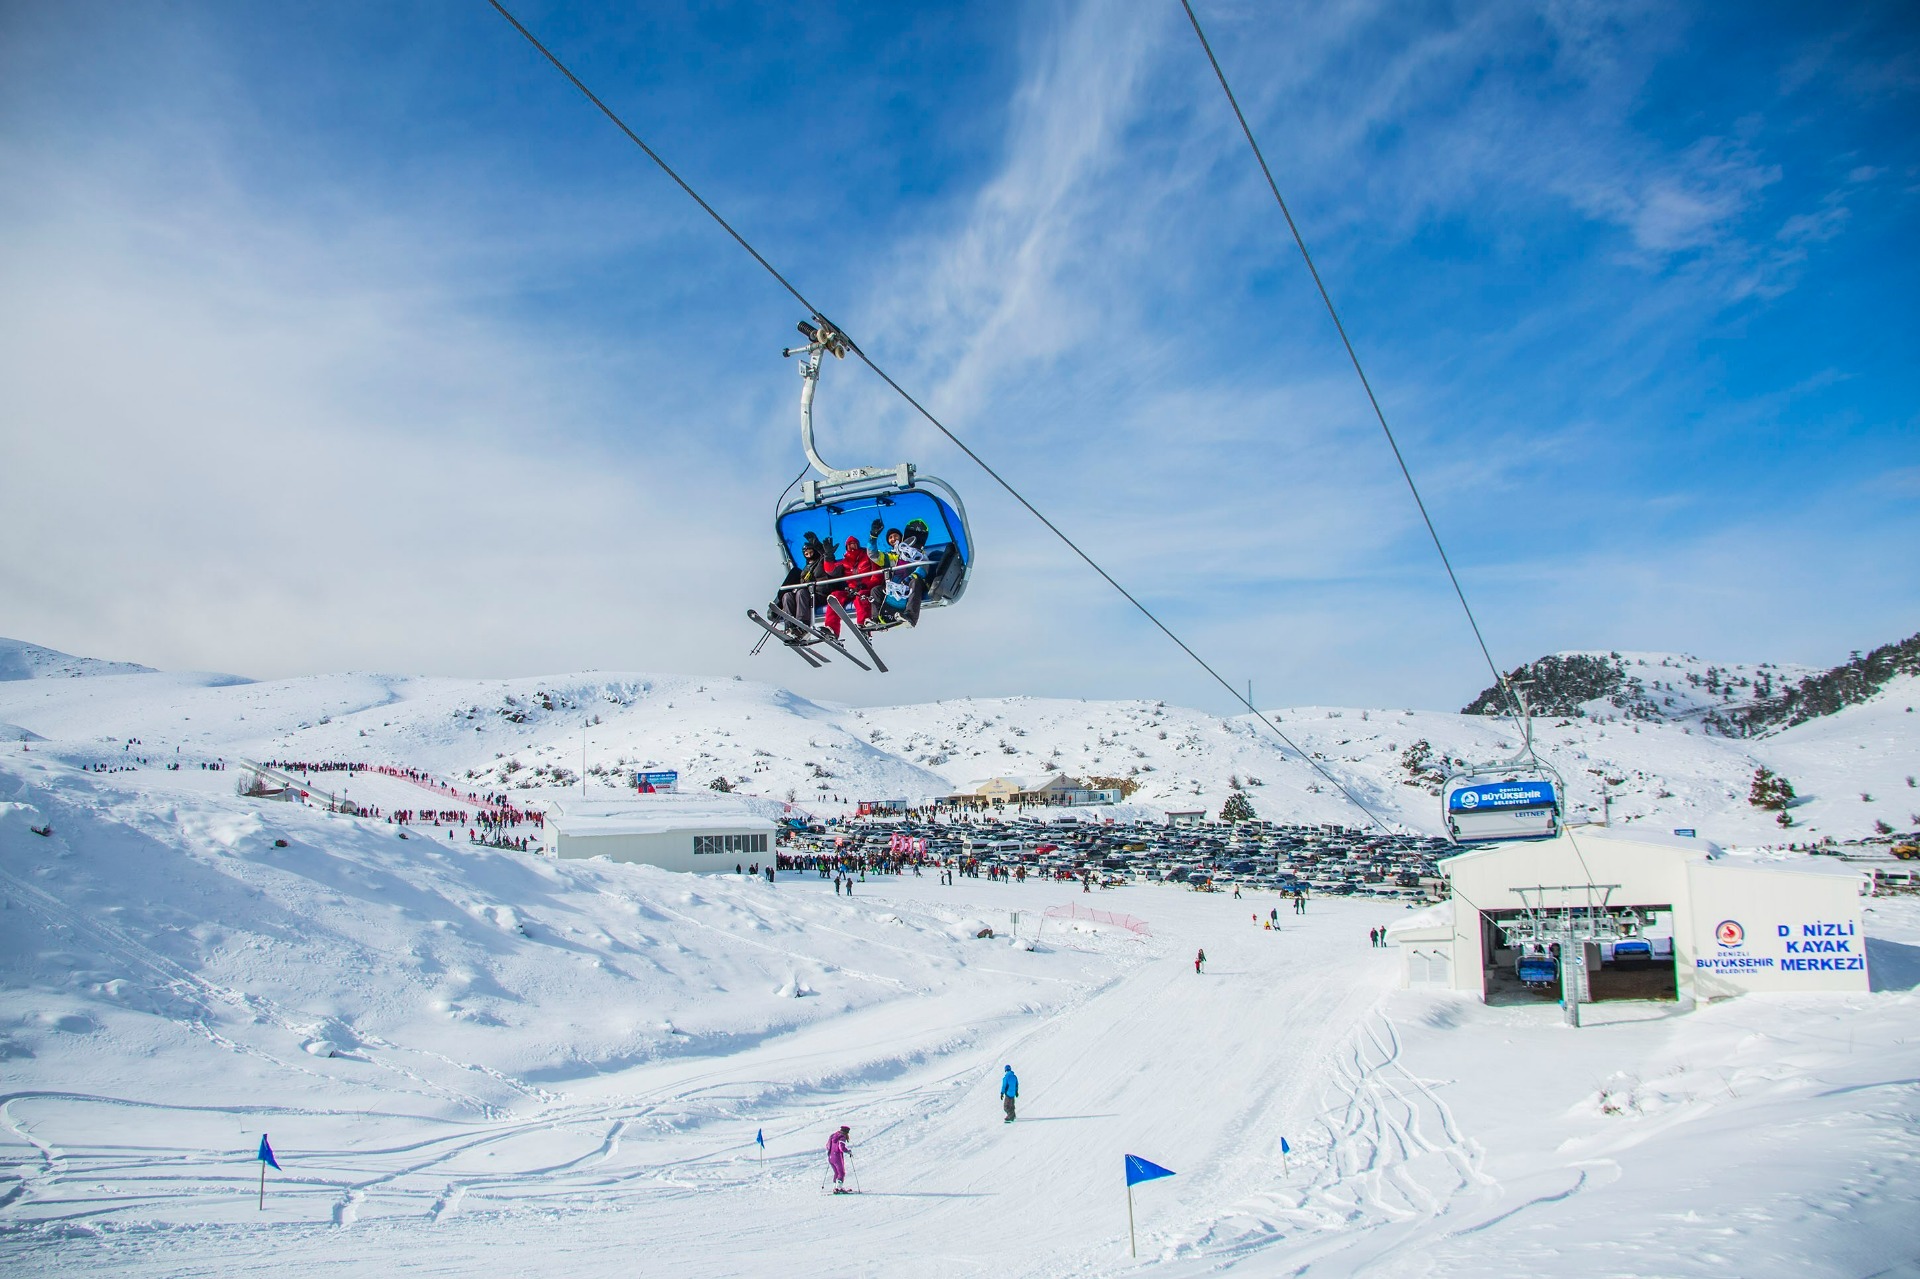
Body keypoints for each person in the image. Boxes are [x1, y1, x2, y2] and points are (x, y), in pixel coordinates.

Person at [827, 1125, 852, 1192]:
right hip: (837, 1157)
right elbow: (841, 1148)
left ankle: (835, 1188)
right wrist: (848, 1151)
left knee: (836, 1173)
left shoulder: (832, 1135)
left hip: (830, 1157)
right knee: (841, 1173)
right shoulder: (842, 1137)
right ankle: (839, 1188)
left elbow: (827, 1146)